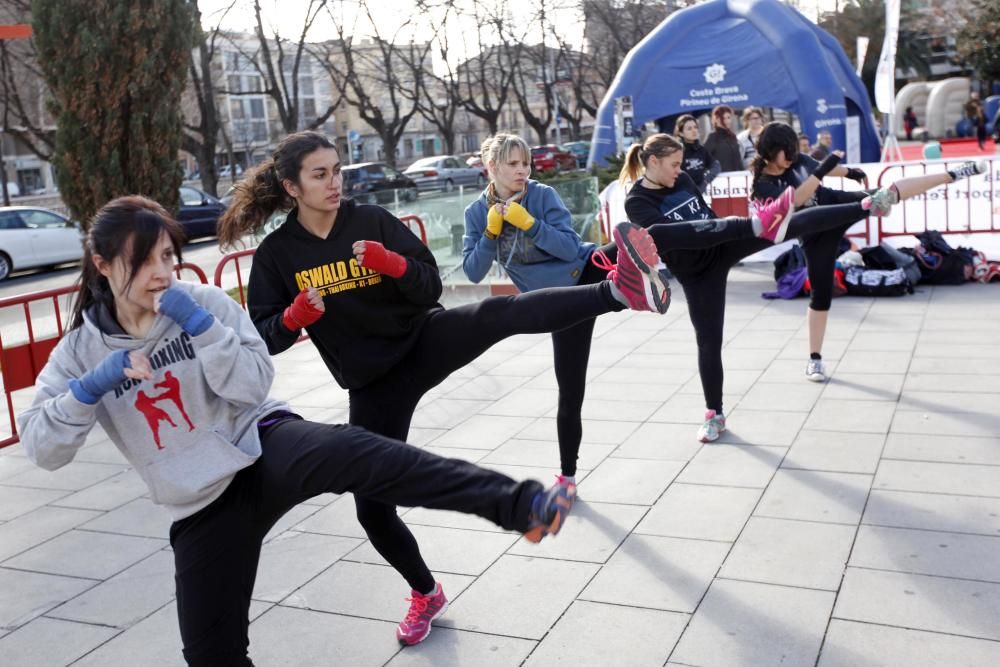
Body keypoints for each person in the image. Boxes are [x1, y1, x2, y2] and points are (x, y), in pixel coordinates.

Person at [18, 196, 582, 666]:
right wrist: (91, 386)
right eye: (142, 261)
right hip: (200, 504)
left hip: (262, 442)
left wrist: (203, 330)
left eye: (167, 255)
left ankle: (519, 504)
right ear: (101, 264)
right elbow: (43, 448)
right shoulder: (79, 353)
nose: (162, 273)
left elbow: (252, 384)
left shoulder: (205, 303)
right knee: (210, 654)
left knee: (362, 454)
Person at [218, 130, 682, 647]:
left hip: (421, 340)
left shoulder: (371, 220)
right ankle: (425, 593)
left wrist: (394, 266)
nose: (334, 183)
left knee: (495, 314)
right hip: (372, 383)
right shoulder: (279, 255)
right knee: (371, 506)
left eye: (337, 170)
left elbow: (430, 283)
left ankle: (617, 289)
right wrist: (291, 318)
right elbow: (262, 336)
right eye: (320, 174)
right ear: (291, 187)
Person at [463, 133, 795, 476]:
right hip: (556, 303)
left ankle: (753, 225)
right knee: (570, 390)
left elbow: (567, 247)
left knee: (650, 232)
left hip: (587, 268)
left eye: (526, 163)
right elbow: (473, 271)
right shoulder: (476, 213)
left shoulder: (542, 194)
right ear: (492, 166)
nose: (523, 170)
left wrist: (530, 224)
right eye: (513, 164)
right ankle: (568, 477)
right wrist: (490, 235)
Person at [619, 132, 882, 442]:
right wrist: (737, 227)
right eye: (674, 164)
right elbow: (677, 235)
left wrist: (738, 229)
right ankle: (714, 415)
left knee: (786, 224)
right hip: (697, 275)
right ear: (653, 161)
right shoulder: (637, 202)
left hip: (721, 244)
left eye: (680, 164)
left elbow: (706, 218)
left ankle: (867, 205)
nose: (680, 170)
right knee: (708, 342)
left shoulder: (683, 180)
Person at [750, 122, 987, 383]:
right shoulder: (763, 183)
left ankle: (952, 175)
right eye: (786, 153)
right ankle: (814, 359)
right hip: (814, 234)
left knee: (888, 193)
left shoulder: (799, 160)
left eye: (793, 152)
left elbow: (828, 170)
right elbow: (794, 200)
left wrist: (850, 172)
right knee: (821, 297)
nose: (791, 159)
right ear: (770, 152)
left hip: (833, 202)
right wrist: (821, 170)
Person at [675, 114, 719, 193]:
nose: (694, 130)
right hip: (682, 194)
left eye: (695, 127)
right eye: (689, 128)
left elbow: (716, 166)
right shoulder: (676, 151)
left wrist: (705, 181)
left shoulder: (701, 150)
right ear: (681, 133)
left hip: (700, 194)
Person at [704, 105, 743, 172]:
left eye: (729, 117)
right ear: (717, 119)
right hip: (720, 177)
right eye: (723, 118)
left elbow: (738, 160)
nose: (727, 121)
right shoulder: (713, 137)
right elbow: (705, 158)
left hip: (737, 176)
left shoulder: (732, 136)